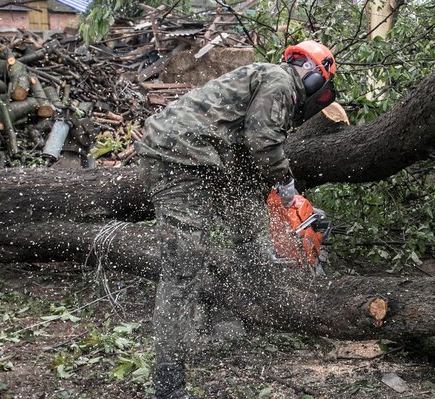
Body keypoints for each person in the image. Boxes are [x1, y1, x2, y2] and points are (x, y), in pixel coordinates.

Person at [135, 40, 338, 399]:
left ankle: (253, 309)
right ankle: (168, 379)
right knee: (182, 266)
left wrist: (278, 213)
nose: (316, 99)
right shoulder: (279, 80)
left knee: (247, 226)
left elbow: (247, 159)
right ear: (311, 78)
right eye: (320, 90)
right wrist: (286, 182)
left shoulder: (264, 85)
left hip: (202, 157)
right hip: (179, 158)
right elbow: (263, 142)